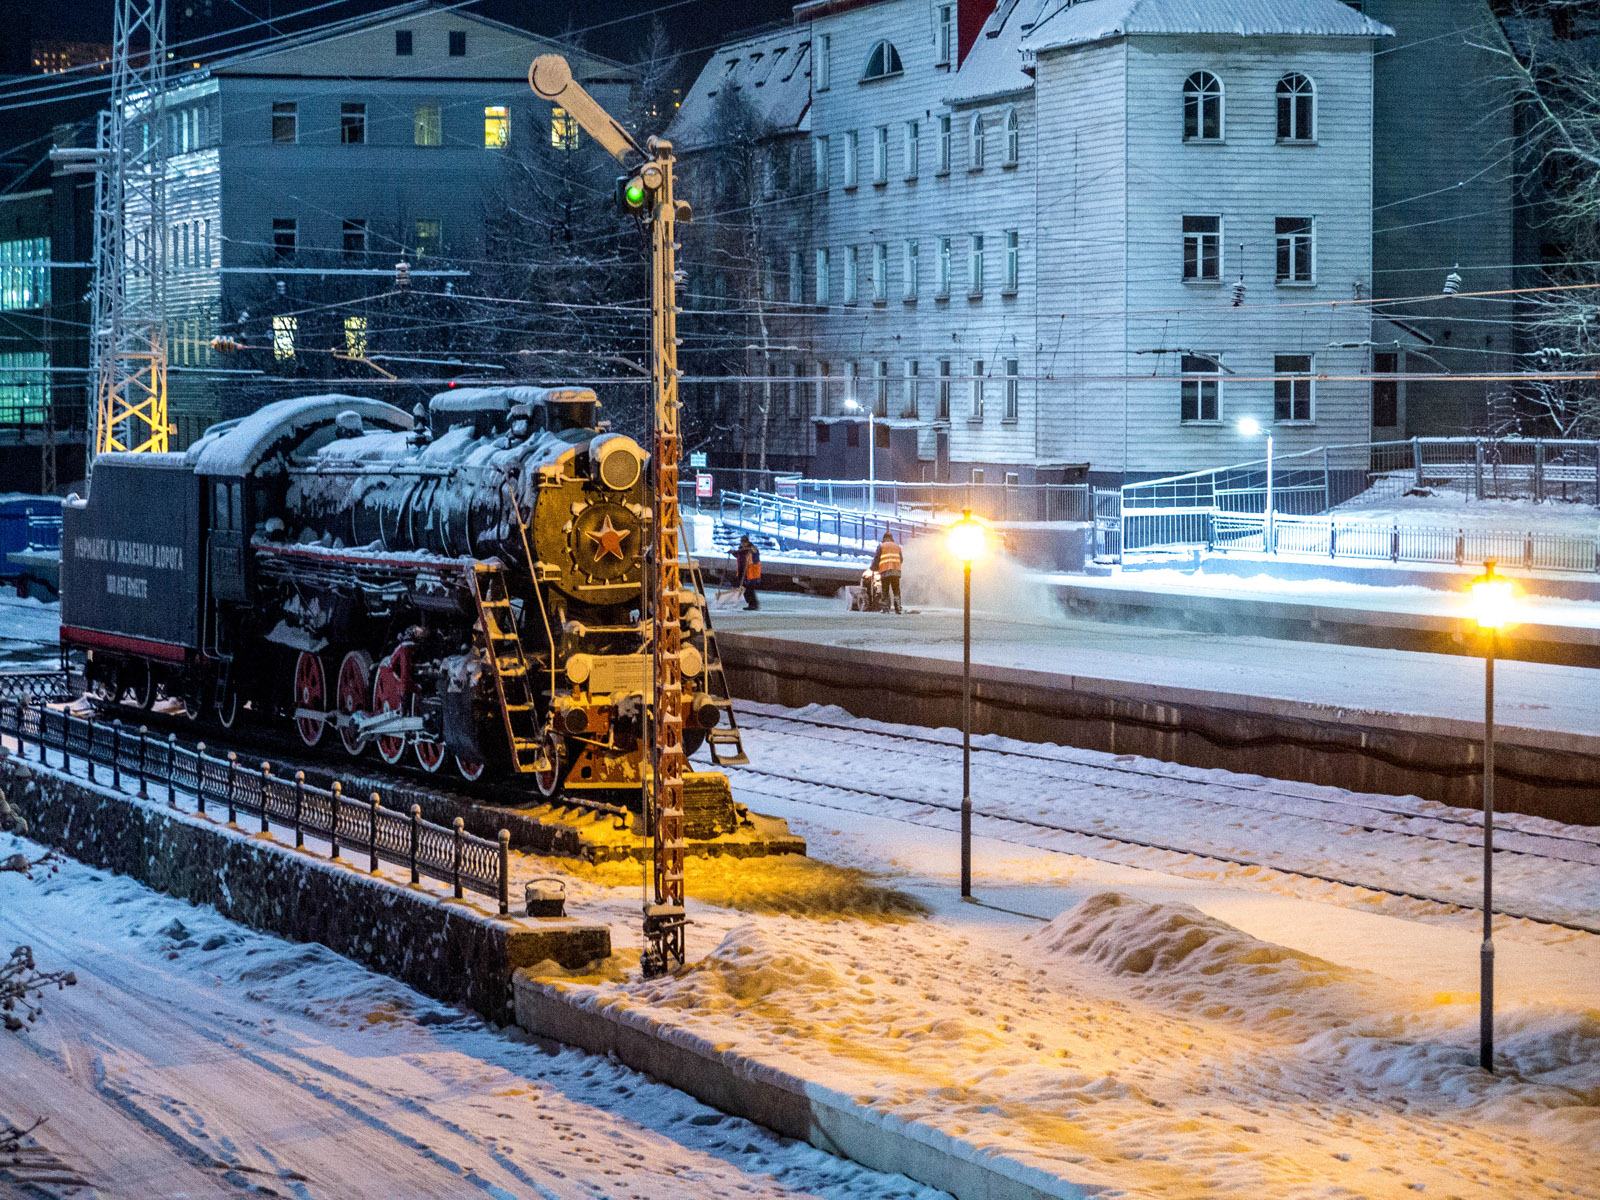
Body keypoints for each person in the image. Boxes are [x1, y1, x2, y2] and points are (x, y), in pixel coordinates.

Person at [871, 532, 903, 614]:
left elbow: (877, 558)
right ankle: (898, 608)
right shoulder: (897, 546)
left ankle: (885, 608)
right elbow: (901, 559)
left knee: (885, 589)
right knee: (896, 590)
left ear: (884, 538)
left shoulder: (882, 546)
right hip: (896, 572)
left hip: (885, 571)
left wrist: (873, 568)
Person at [733, 535, 762, 610]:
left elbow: (755, 558)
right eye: (742, 542)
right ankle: (751, 604)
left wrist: (752, 551)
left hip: (751, 573)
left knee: (750, 589)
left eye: (745, 542)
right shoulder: (742, 550)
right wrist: (733, 553)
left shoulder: (752, 549)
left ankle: (753, 604)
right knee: (745, 589)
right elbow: (739, 555)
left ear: (747, 542)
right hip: (742, 572)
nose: (743, 544)